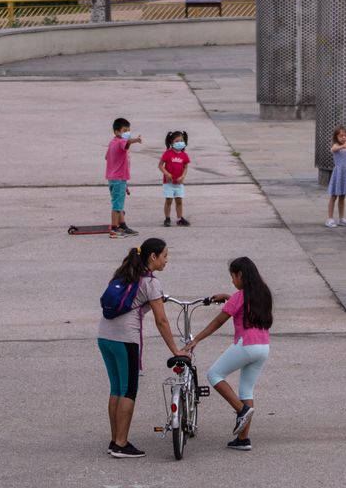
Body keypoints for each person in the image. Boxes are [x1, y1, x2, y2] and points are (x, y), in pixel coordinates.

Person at [98, 236, 184, 460]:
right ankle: (121, 443)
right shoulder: (151, 283)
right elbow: (162, 321)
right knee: (128, 390)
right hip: (125, 340)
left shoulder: (125, 273)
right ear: (153, 257)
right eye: (165, 256)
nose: (167, 260)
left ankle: (115, 439)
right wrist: (176, 350)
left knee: (117, 388)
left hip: (104, 337)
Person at [185, 256, 273, 452]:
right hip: (263, 347)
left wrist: (197, 339)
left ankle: (241, 410)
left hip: (246, 344)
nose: (232, 281)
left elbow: (218, 321)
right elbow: (242, 301)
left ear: (240, 275)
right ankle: (243, 439)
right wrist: (228, 296)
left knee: (214, 374)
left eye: (233, 277)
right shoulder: (262, 292)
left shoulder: (239, 297)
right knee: (246, 391)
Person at [105, 117, 141, 238]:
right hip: (118, 178)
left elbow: (107, 157)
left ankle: (122, 225)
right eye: (125, 130)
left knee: (119, 204)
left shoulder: (112, 142)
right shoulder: (121, 142)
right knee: (117, 205)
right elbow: (126, 144)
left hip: (114, 178)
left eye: (129, 130)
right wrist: (136, 140)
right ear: (116, 132)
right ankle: (114, 229)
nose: (127, 133)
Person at [159, 129, 191, 228]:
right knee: (169, 200)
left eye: (181, 141)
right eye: (177, 141)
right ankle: (167, 218)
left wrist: (182, 177)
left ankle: (179, 218)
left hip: (179, 183)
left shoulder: (184, 155)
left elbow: (185, 167)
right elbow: (160, 165)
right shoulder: (167, 153)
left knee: (179, 201)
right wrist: (167, 173)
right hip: (168, 183)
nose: (179, 143)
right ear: (171, 142)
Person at [325, 126, 346, 227]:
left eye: (345, 136)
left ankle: (341, 218)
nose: (343, 138)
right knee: (333, 196)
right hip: (338, 174)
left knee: (342, 197)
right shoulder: (336, 145)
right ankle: (330, 218)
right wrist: (343, 146)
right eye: (341, 136)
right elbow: (333, 149)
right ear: (336, 137)